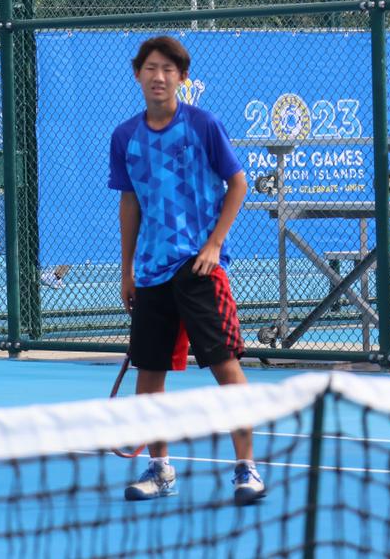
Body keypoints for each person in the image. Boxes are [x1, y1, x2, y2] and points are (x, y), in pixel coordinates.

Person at [108, 35, 264, 506]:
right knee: (150, 374)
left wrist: (214, 244)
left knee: (224, 367)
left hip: (198, 268)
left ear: (182, 78)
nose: (159, 77)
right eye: (151, 68)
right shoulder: (125, 137)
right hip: (151, 273)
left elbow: (238, 183)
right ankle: (159, 469)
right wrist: (128, 270)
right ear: (138, 75)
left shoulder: (203, 125)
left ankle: (246, 468)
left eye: (169, 69)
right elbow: (129, 203)